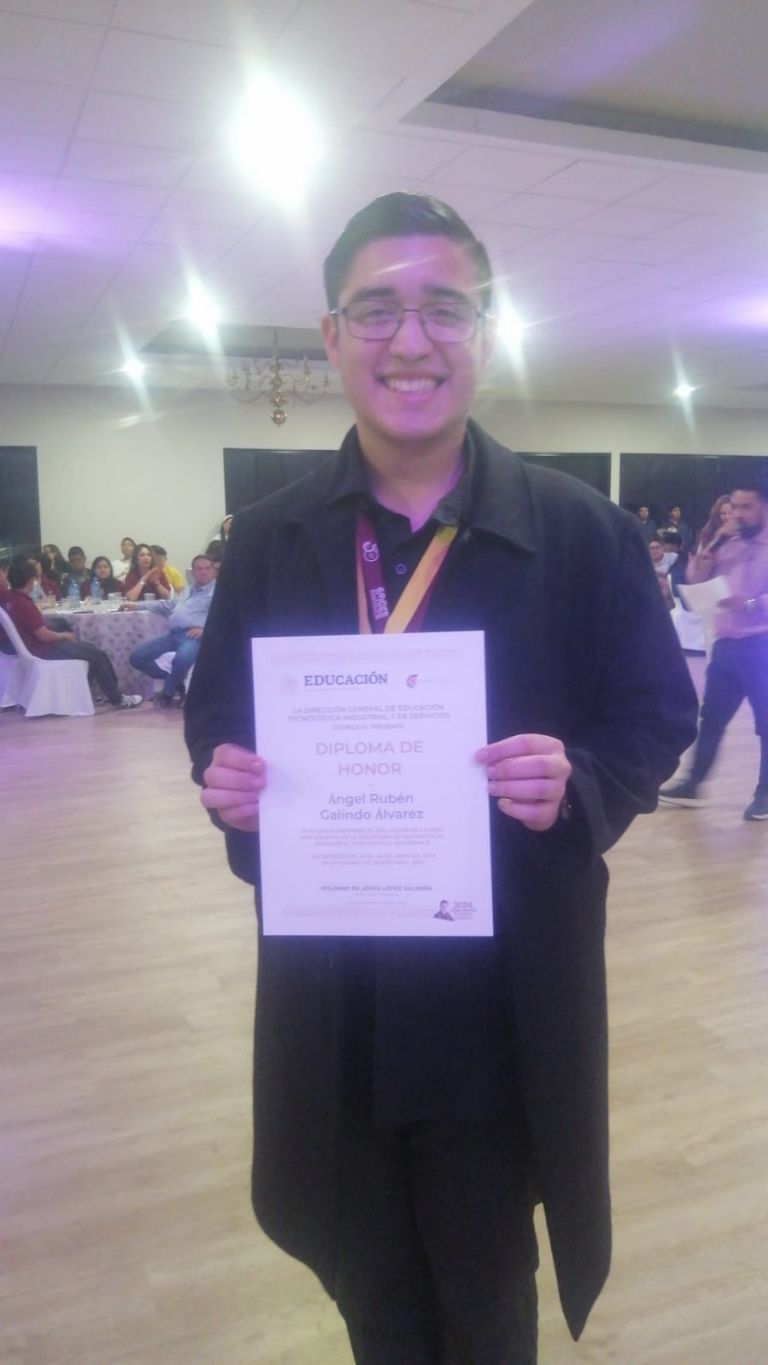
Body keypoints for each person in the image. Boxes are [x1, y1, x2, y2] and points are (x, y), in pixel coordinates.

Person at [184, 192, 697, 1362]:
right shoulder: (270, 538)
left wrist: (579, 781)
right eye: (376, 310)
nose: (409, 340)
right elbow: (217, 717)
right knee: (371, 1287)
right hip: (334, 993)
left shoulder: (581, 533)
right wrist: (233, 787)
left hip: (500, 1003)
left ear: (486, 331)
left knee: (486, 1286)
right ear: (331, 336)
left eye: (444, 310)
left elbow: (654, 717)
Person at [659, 481, 768, 820]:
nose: (738, 514)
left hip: (760, 644)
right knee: (712, 718)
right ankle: (693, 784)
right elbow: (696, 579)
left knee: (766, 724)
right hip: (726, 644)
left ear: (764, 508)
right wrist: (709, 550)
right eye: (735, 507)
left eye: (747, 507)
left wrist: (749, 603)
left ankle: (765, 795)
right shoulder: (728, 542)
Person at [0, 558, 142, 707]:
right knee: (98, 655)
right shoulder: (25, 604)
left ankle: (90, 694)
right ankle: (117, 699)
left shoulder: (11, 599)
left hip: (32, 647)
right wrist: (64, 636)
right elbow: (44, 635)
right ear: (30, 580)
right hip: (44, 650)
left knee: (89, 649)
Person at [128, 554, 216, 705]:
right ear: (193, 572)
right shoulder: (188, 590)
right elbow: (167, 605)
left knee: (182, 660)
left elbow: (225, 616)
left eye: (207, 568)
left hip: (193, 636)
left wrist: (205, 629)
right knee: (136, 657)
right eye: (199, 569)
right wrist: (136, 605)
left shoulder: (218, 592)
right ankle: (177, 682)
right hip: (173, 634)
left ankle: (167, 693)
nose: (203, 572)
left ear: (214, 571)